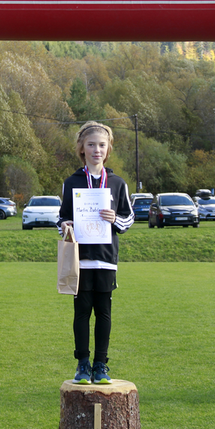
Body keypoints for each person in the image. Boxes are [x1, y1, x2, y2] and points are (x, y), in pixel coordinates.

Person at [58, 122, 134, 385]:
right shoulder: (71, 182)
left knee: (103, 312)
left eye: (102, 145)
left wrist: (115, 219)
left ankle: (101, 365)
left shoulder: (117, 183)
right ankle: (82, 364)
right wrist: (64, 226)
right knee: (81, 312)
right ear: (82, 148)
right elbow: (62, 218)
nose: (96, 150)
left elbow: (128, 219)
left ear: (108, 149)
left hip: (106, 259)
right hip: (80, 259)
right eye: (91, 145)